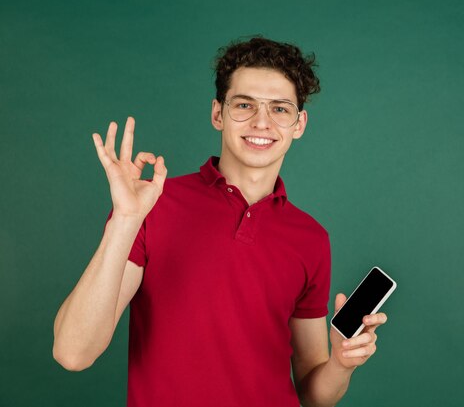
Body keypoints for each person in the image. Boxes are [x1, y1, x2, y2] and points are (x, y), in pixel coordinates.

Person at [52, 36, 388, 407]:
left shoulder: (311, 238)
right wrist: (126, 220)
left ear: (299, 123)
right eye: (244, 105)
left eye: (279, 109)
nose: (262, 122)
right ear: (218, 113)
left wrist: (340, 363)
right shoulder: (153, 205)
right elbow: (73, 353)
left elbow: (313, 395)